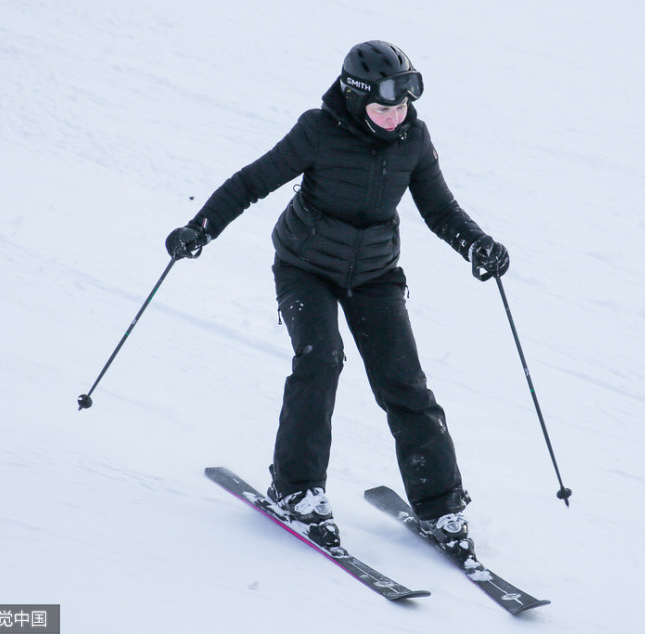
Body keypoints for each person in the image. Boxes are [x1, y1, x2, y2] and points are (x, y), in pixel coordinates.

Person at [166, 41, 509, 555]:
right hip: (306, 268)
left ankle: (441, 507)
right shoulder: (318, 130)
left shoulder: (414, 138)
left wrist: (477, 244)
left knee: (404, 383)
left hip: (375, 274)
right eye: (383, 108)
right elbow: (251, 182)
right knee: (321, 360)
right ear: (354, 98)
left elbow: (440, 210)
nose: (395, 118)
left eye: (402, 107)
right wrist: (200, 228)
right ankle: (297, 489)